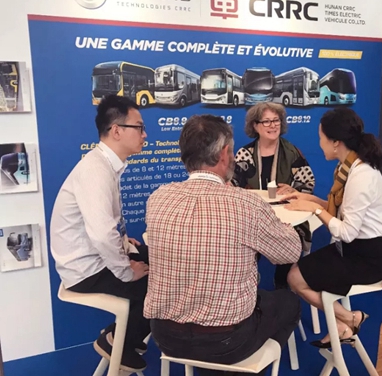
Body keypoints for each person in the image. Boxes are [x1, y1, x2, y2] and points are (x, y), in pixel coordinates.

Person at [144, 114, 302, 376]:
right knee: (289, 302)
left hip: (165, 337)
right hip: (227, 341)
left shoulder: (158, 198)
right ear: (224, 154)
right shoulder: (246, 204)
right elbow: (290, 252)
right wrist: (282, 226)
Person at [50, 95, 150, 372]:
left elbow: (104, 227)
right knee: (159, 284)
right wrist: (127, 272)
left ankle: (120, 338)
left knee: (161, 259)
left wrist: (123, 244)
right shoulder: (96, 170)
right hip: (86, 270)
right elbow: (101, 235)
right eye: (139, 127)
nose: (145, 134)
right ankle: (121, 343)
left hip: (93, 257)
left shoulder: (105, 165)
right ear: (116, 130)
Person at [284, 107, 382, 348]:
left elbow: (346, 231)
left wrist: (315, 210)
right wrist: (311, 200)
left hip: (367, 258)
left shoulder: (361, 175)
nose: (319, 144)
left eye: (321, 138)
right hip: (351, 249)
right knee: (297, 272)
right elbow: (344, 211)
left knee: (295, 278)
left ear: (336, 142)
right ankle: (345, 324)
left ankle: (350, 318)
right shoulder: (348, 168)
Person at [232, 102, 315, 288]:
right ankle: (248, 289)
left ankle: (284, 290)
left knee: (289, 246)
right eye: (267, 121)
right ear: (255, 126)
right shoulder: (245, 154)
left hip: (287, 220)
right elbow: (233, 186)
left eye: (276, 120)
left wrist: (295, 191)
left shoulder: (292, 152)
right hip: (253, 219)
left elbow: (307, 182)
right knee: (240, 243)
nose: (273, 125)